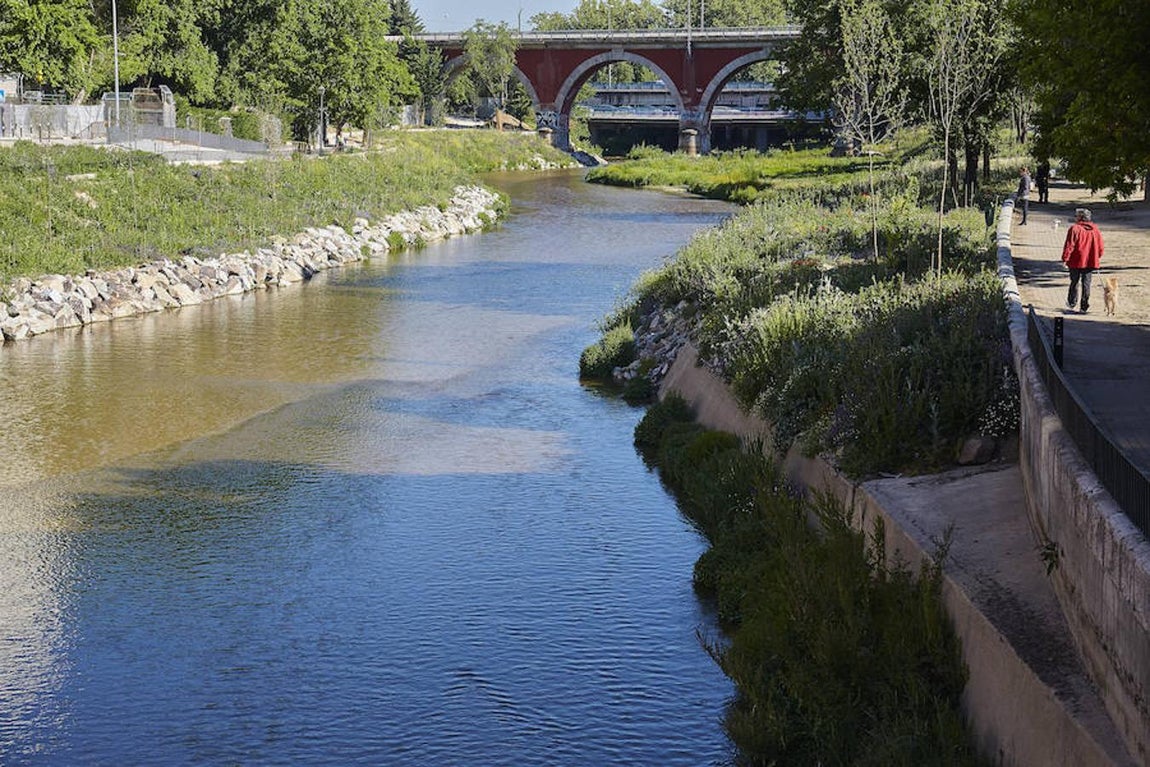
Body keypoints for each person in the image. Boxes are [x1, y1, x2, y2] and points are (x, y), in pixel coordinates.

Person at [1061, 208, 1104, 313]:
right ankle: (1084, 306)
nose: (1075, 218)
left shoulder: (1075, 229)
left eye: (1076, 216)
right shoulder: (1095, 230)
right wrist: (1097, 256)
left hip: (1076, 260)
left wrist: (1065, 258)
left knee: (1074, 282)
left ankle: (1072, 302)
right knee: (1086, 283)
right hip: (1090, 261)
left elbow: (1069, 245)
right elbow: (1101, 247)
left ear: (1080, 217)